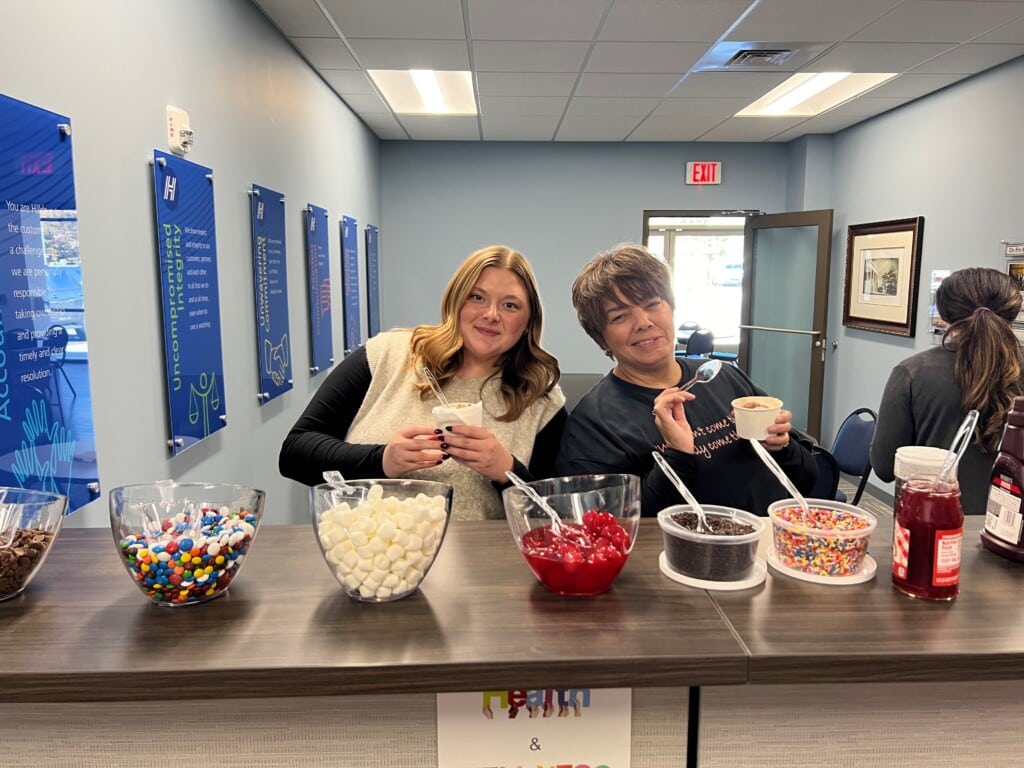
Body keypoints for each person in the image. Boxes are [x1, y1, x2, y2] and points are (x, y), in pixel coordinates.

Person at [280, 245, 566, 520]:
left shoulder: (542, 401)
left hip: (480, 563)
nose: (491, 314)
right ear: (456, 301)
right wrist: (382, 460)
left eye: (510, 305)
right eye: (477, 297)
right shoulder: (388, 354)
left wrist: (507, 471)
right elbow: (295, 454)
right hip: (367, 554)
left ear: (528, 321)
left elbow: (557, 516)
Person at [555, 244, 816, 516]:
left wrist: (782, 447)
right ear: (601, 337)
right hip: (679, 556)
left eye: (653, 304)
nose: (643, 322)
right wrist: (677, 456)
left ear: (671, 307)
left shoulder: (723, 376)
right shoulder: (594, 424)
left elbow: (807, 479)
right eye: (620, 316)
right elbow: (613, 528)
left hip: (766, 545)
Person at [871, 267, 1024, 515]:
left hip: (930, 522)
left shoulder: (913, 373)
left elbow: (884, 466)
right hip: (1012, 529)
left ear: (944, 316)